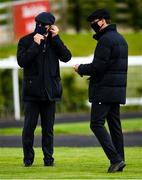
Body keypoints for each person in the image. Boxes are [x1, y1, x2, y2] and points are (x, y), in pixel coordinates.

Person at [73, 9, 128, 173]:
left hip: (104, 89)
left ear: (103, 21)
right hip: (116, 90)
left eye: (94, 21)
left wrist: (80, 68)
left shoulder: (105, 40)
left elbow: (98, 67)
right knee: (115, 126)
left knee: (96, 124)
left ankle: (115, 159)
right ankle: (120, 160)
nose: (92, 25)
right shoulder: (121, 39)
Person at [17, 12, 72, 167]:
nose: (42, 28)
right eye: (39, 24)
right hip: (32, 93)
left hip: (50, 92)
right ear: (36, 24)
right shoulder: (26, 40)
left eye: (45, 26)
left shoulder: (54, 41)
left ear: (50, 26)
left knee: (48, 129)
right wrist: (35, 45)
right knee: (29, 128)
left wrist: (57, 39)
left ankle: (48, 159)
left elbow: (67, 57)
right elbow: (22, 61)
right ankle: (28, 159)